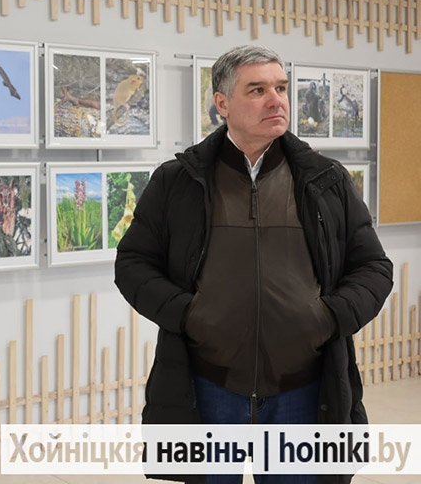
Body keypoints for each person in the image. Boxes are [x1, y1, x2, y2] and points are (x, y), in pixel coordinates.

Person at [114, 45, 393, 484]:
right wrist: (188, 314)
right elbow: (133, 263)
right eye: (258, 90)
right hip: (207, 386)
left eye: (280, 88)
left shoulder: (326, 180)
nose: (276, 100)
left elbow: (373, 267)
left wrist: (328, 317)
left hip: (303, 390)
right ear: (222, 103)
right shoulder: (177, 180)